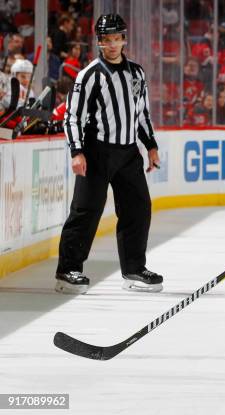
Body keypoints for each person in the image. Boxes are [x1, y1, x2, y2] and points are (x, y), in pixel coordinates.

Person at [55, 14, 163, 295]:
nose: (112, 44)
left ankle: (134, 269)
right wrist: (77, 151)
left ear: (124, 39)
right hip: (96, 151)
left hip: (129, 153)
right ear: (99, 41)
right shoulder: (89, 74)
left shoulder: (137, 73)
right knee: (86, 211)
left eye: (117, 38)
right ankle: (68, 270)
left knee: (138, 208)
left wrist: (150, 145)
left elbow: (142, 113)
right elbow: (73, 117)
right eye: (106, 40)